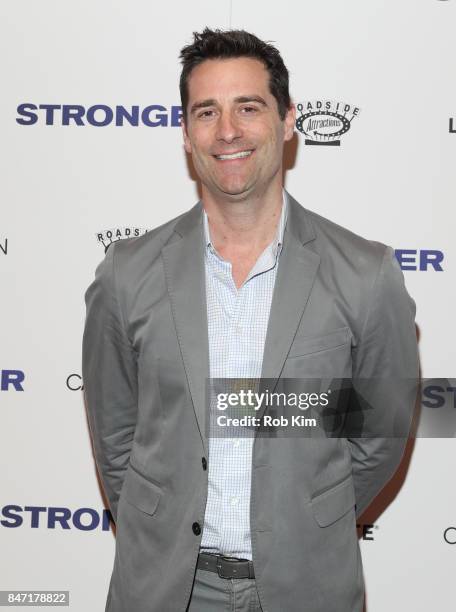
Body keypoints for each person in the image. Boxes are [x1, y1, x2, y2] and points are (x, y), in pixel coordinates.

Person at [82, 28, 419, 612]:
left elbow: (380, 435)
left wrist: (310, 521)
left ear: (288, 120)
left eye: (248, 107)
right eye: (206, 112)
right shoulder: (126, 274)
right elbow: (116, 441)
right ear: (186, 134)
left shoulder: (365, 274)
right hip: (164, 591)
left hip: (306, 588)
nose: (228, 131)